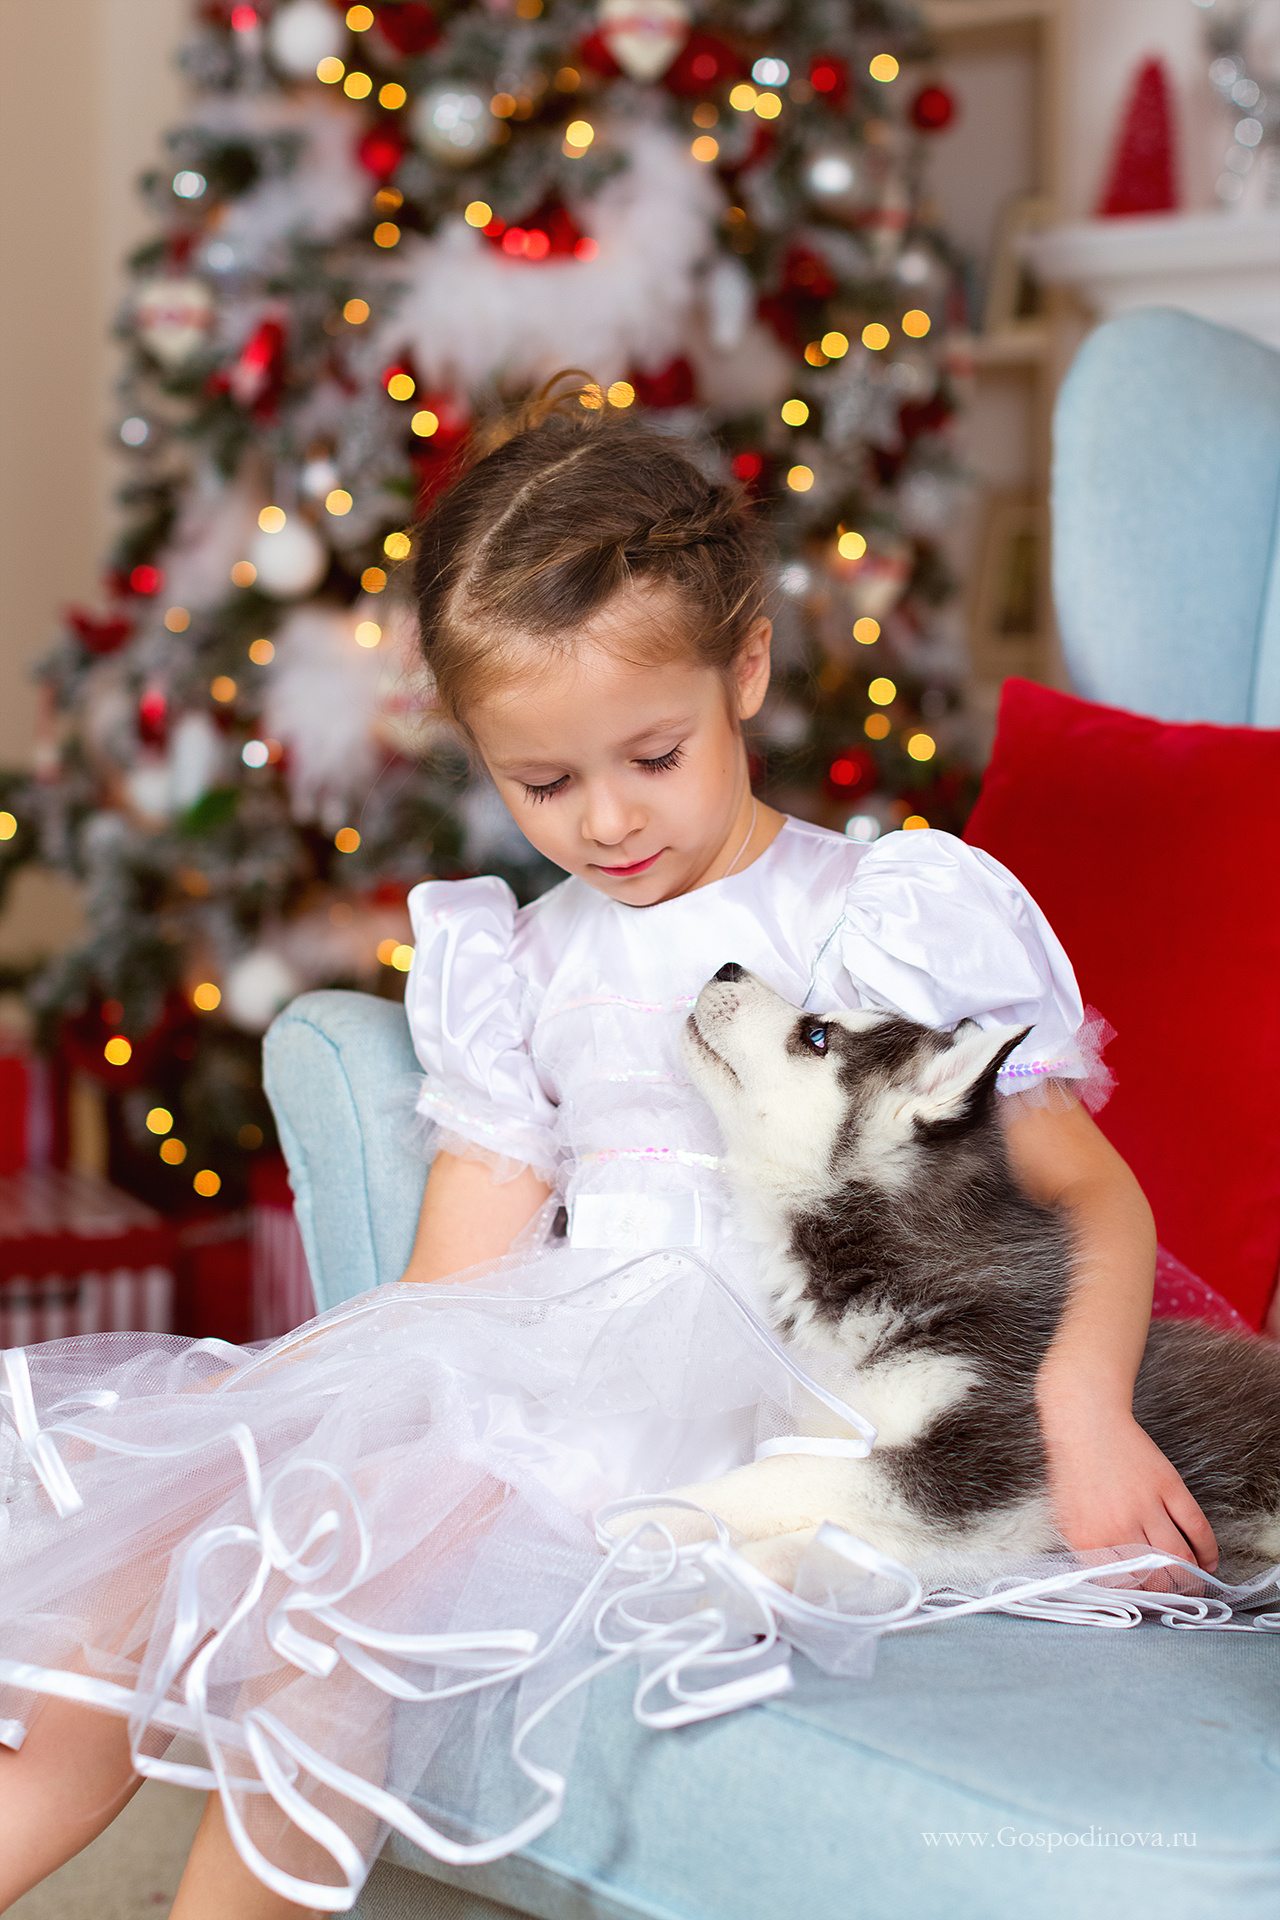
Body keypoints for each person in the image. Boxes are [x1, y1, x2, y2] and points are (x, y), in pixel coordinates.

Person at [0, 392, 1229, 1917]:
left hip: (743, 1416)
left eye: (654, 754)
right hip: (543, 1382)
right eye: (544, 784)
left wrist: (1082, 1403)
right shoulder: (521, 960)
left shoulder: (877, 919)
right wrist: (291, 1401)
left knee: (339, 1628)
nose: (606, 822)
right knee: (142, 1585)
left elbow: (1088, 1193)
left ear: (745, 671)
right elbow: (457, 1277)